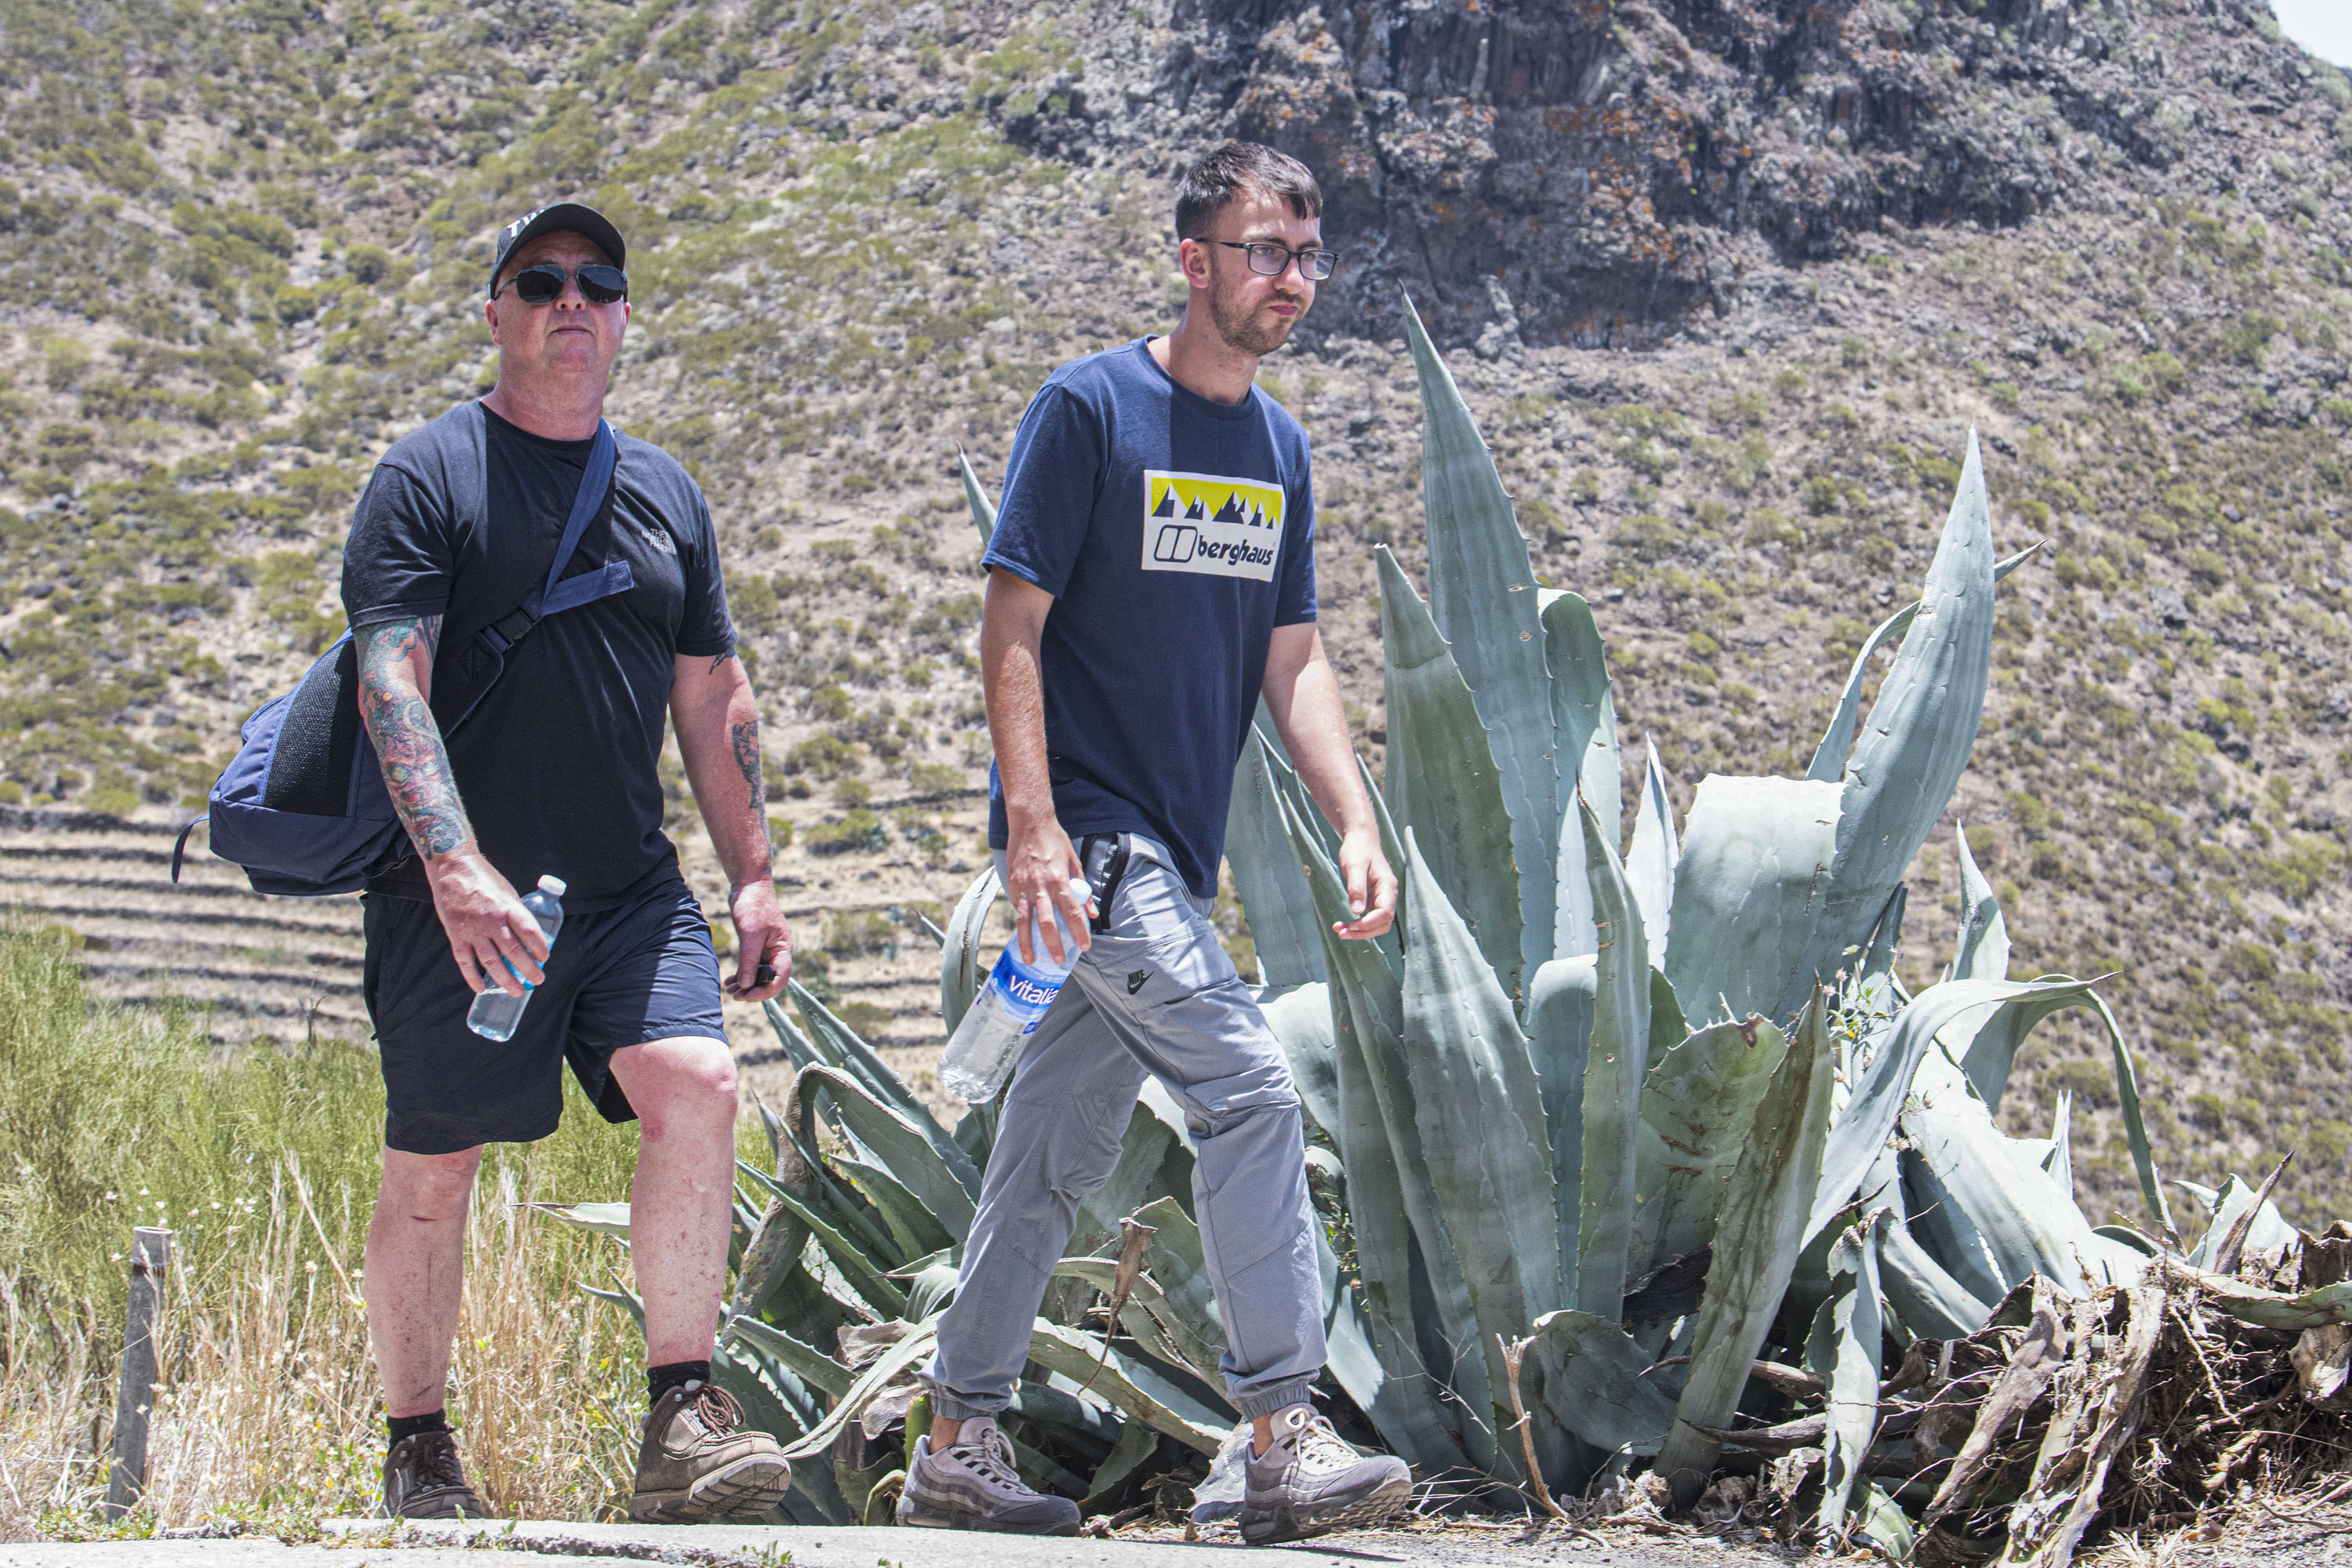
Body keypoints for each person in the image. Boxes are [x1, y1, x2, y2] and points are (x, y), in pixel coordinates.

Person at [902, 143, 1411, 1545]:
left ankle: (955, 1441)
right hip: (1098, 852)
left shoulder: (1280, 448)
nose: (1291, 281)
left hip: (1170, 866)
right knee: (1251, 1092)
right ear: (1195, 261)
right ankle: (1274, 1440)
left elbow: (1292, 659)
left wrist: (1353, 819)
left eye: (1307, 255)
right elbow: (1012, 623)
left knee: (1047, 1158)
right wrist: (1034, 832)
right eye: (1263, 253)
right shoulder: (1091, 410)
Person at [340, 202, 795, 1525]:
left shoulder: (664, 491)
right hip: (462, 896)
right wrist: (455, 867)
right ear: (496, 312)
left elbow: (713, 694)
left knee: (699, 1082)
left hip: (625, 888)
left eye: (597, 283)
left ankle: (683, 1423)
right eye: (540, 281)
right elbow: (391, 679)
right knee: (437, 1168)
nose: (571, 301)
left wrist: (753, 876)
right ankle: (420, 1453)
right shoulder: (430, 476)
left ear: (625, 315)